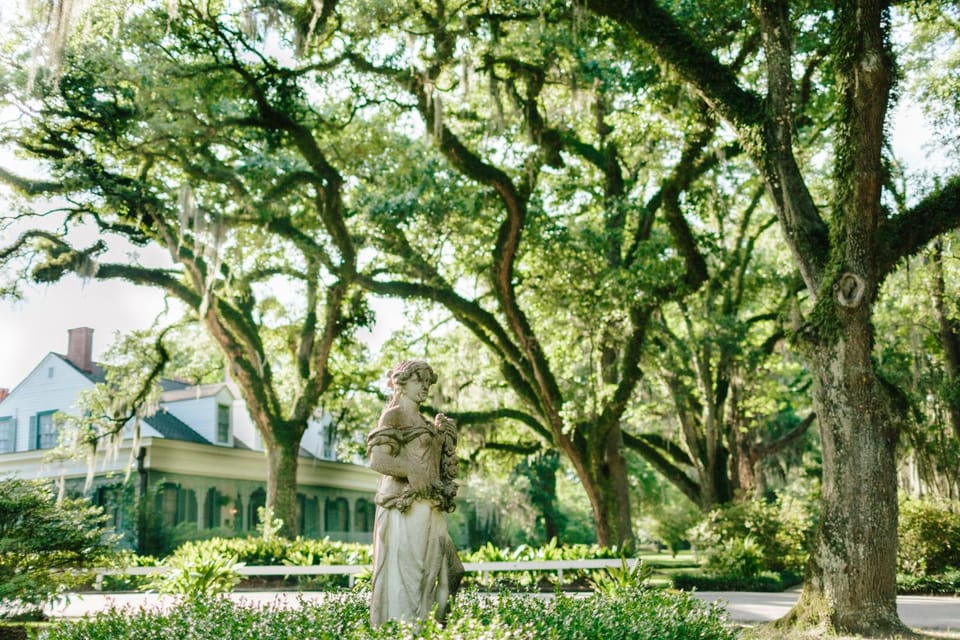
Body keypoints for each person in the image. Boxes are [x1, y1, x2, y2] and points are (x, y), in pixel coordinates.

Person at [367, 360, 464, 627]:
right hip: (406, 507)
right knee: (413, 578)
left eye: (427, 381)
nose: (424, 386)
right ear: (402, 382)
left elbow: (436, 467)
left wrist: (445, 439)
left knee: (452, 571)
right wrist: (411, 470)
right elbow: (378, 461)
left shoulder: (424, 421)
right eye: (418, 379)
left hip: (430, 506)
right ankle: (409, 630)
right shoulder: (394, 416)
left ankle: (435, 629)